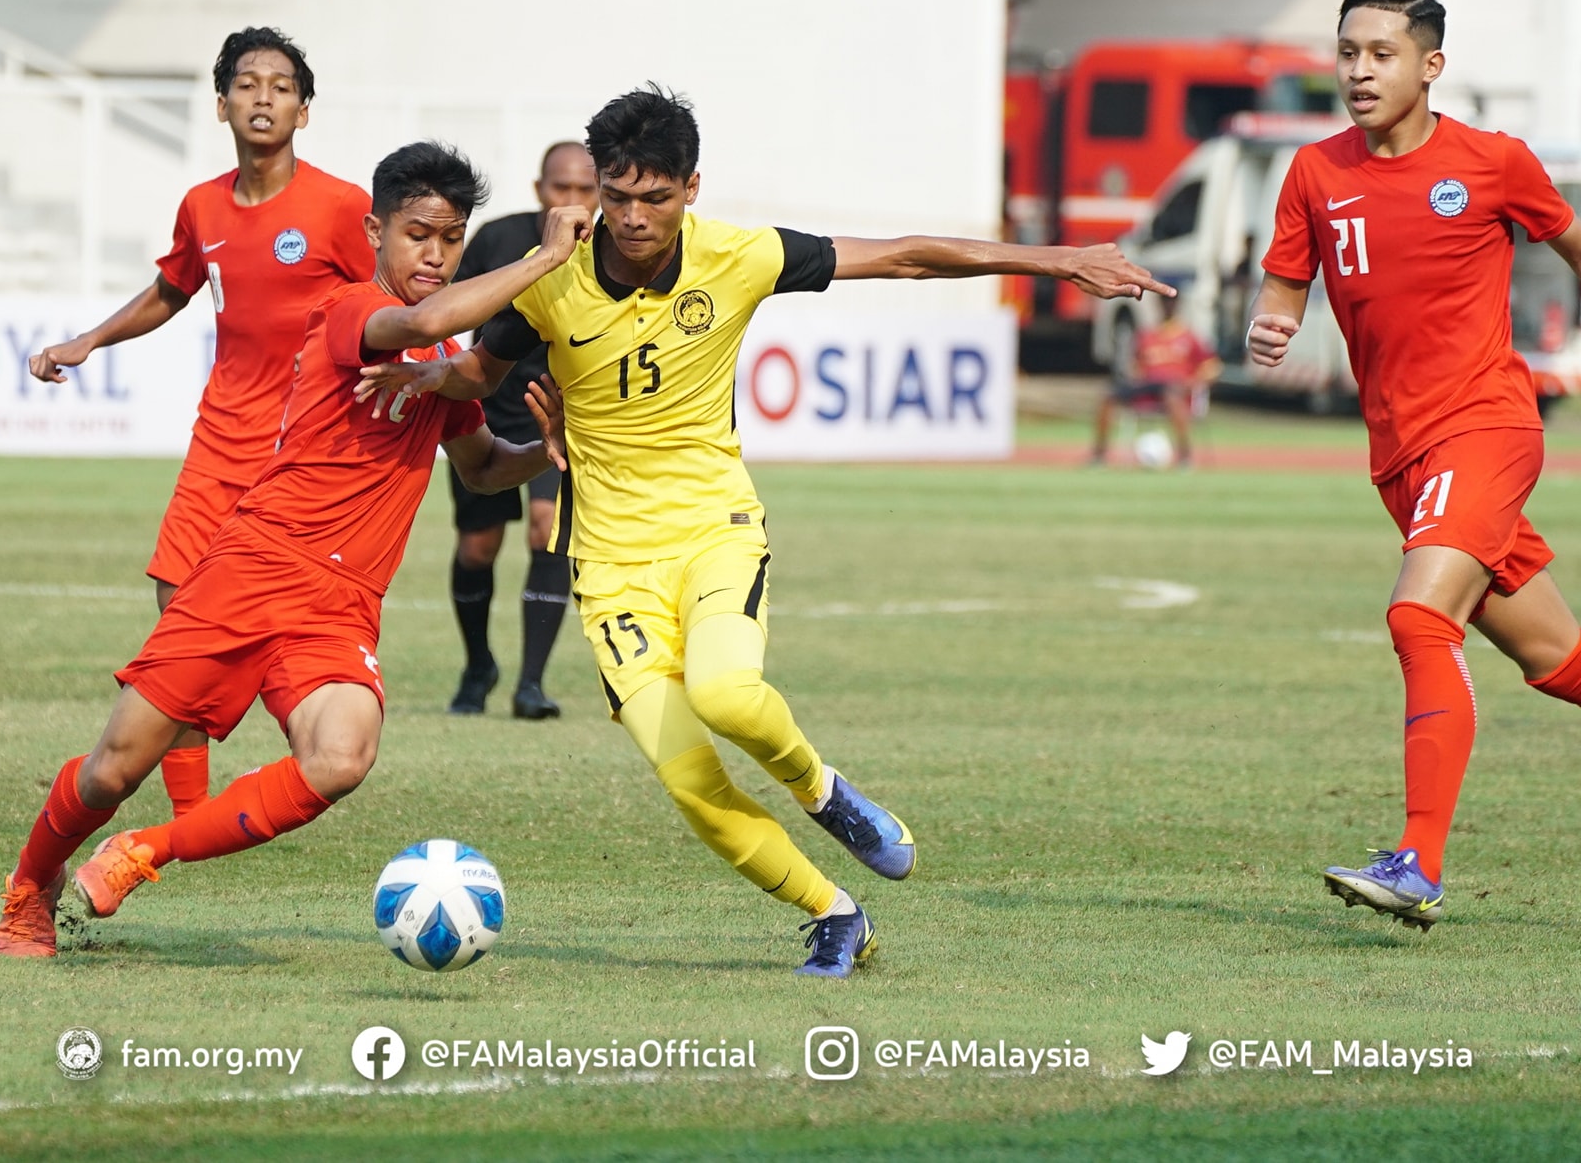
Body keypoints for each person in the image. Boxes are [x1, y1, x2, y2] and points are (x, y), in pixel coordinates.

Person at [366, 86, 1168, 977]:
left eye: (655, 197)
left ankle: (827, 794)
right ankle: (834, 912)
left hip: (714, 525)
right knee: (689, 783)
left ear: (692, 188)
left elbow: (903, 257)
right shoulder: (552, 276)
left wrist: (1058, 262)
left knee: (727, 692)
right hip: (610, 563)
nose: (633, 218)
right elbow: (479, 367)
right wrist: (427, 380)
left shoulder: (739, 255)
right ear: (595, 189)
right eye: (617, 196)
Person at [1246, 0, 1581, 930]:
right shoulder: (1316, 173)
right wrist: (1270, 325)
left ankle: (1418, 864)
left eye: (1381, 54)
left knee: (1417, 620)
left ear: (1430, 66)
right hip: (1403, 459)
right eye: (1349, 53)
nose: (1360, 71)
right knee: (1560, 661)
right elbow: (1285, 283)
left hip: (1486, 425)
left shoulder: (1490, 161)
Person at [0, 143, 578, 958]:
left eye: (451, 239)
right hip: (250, 572)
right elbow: (422, 323)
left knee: (342, 754)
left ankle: (142, 852)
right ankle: (28, 887)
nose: (435, 255)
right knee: (110, 772)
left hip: (339, 607)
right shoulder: (350, 311)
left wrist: (550, 448)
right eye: (419, 234)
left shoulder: (437, 369)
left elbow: (481, 467)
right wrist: (547, 259)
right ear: (376, 230)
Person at [27, 27, 373, 822]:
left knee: (272, 630)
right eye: (246, 84)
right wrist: (90, 339)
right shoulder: (203, 205)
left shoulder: (342, 206)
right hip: (220, 443)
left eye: (280, 86)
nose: (262, 96)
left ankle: (211, 802)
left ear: (304, 110)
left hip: (304, 454)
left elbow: (396, 297)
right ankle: (187, 814)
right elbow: (171, 288)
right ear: (221, 104)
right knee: (176, 610)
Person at [444, 141, 599, 719]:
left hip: (560, 409)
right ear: (540, 191)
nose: (575, 200)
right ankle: (477, 664)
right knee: (478, 548)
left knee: (545, 531)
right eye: (563, 188)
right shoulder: (500, 240)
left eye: (587, 190)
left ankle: (530, 684)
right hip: (485, 401)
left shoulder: (613, 251)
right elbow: (453, 303)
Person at [1090, 293, 1220, 466]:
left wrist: (1192, 383)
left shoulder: (1189, 336)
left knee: (1171, 397)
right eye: (1164, 301)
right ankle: (1099, 455)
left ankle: (1184, 456)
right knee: (1109, 396)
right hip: (1148, 384)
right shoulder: (1148, 335)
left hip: (1175, 387)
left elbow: (1213, 367)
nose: (1168, 305)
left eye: (1171, 302)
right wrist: (1134, 374)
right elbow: (1135, 365)